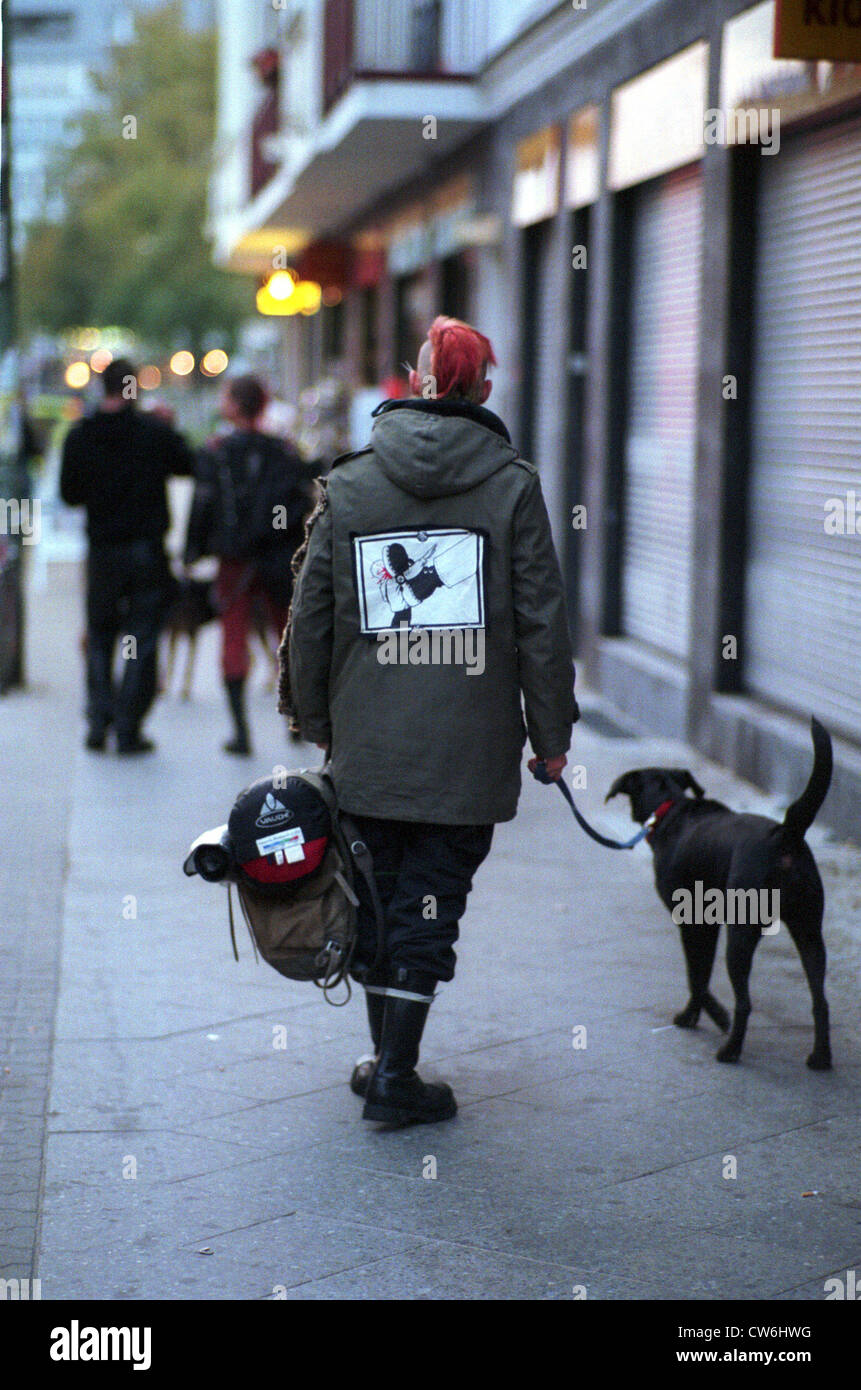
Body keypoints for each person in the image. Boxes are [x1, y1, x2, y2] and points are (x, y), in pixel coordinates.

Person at [285, 316, 579, 1126]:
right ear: (482, 389)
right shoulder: (512, 486)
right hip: (468, 750)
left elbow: (310, 616)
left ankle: (386, 1062)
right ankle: (395, 1074)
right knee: (431, 902)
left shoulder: (349, 484)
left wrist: (315, 717)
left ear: (417, 383)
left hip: (369, 742)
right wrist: (551, 738)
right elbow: (541, 624)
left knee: (377, 899)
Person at [60, 358, 194, 753]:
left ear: (102, 388)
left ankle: (98, 720)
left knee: (100, 635)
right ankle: (128, 724)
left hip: (103, 552)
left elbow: (69, 494)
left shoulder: (81, 436)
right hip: (145, 552)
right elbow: (188, 464)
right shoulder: (154, 433)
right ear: (134, 389)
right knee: (140, 636)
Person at [185, 374, 310, 756]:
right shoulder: (283, 451)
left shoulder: (217, 452)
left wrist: (193, 549)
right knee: (286, 636)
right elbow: (297, 504)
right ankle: (295, 720)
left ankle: (241, 733)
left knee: (234, 636)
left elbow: (204, 502)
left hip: (234, 558)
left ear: (235, 405)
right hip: (277, 557)